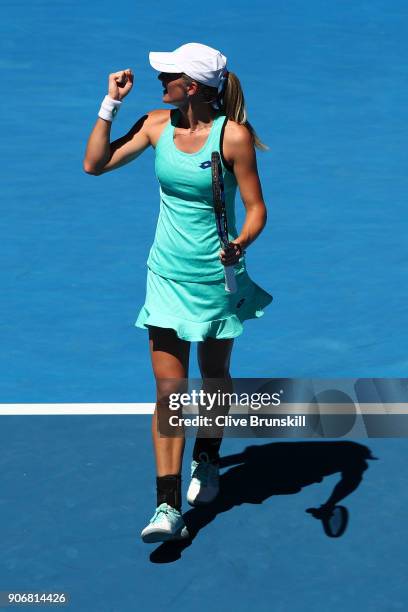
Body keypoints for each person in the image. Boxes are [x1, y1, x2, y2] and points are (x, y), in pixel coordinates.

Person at [83, 42, 273, 543]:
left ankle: (207, 456)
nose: (158, 80)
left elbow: (255, 209)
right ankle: (166, 507)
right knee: (169, 392)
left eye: (166, 74)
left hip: (214, 277)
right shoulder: (153, 124)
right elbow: (94, 164)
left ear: (190, 86)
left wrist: (239, 242)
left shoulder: (233, 138)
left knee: (213, 376)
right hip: (165, 275)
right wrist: (110, 104)